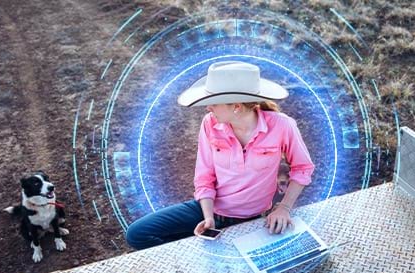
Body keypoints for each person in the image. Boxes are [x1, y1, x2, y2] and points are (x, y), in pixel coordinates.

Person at [126, 61, 315, 250]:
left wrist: (283, 208)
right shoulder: (209, 123)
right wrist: (208, 218)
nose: (208, 108)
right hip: (210, 209)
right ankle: (190, 258)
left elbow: (303, 168)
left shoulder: (282, 126)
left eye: (214, 103)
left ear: (237, 107)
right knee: (137, 234)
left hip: (251, 219)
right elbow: (204, 176)